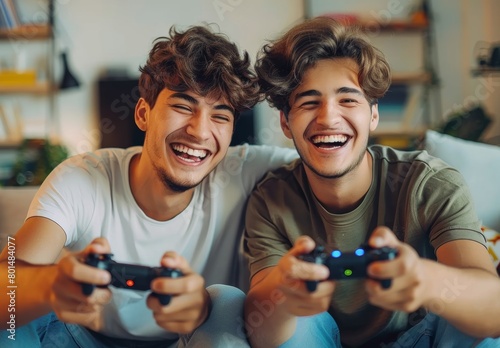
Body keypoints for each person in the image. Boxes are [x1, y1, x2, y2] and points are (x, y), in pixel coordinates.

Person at [0, 24, 297, 347]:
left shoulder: (248, 170)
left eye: (220, 116)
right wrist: (51, 284)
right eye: (183, 106)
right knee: (11, 323)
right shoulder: (80, 177)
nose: (199, 131)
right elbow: (7, 274)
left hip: (191, 339)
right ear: (143, 113)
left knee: (225, 301)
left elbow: (329, 162)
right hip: (81, 337)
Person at [243, 16, 500, 348]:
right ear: (286, 123)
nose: (328, 118)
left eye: (348, 99)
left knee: (469, 318)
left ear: (373, 114)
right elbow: (261, 333)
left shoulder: (431, 183)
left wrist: (425, 280)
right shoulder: (271, 200)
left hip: (421, 337)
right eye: (309, 102)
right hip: (324, 341)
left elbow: (494, 312)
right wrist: (284, 291)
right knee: (289, 319)